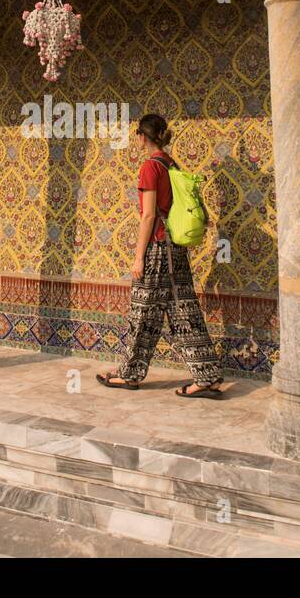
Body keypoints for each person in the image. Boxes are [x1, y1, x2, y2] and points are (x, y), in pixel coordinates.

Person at [97, 114, 223, 398]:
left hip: (157, 249)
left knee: (143, 313)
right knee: (184, 312)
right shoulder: (171, 164)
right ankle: (208, 377)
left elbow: (149, 215)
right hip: (175, 250)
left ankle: (128, 375)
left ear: (142, 136)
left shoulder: (150, 167)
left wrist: (138, 256)